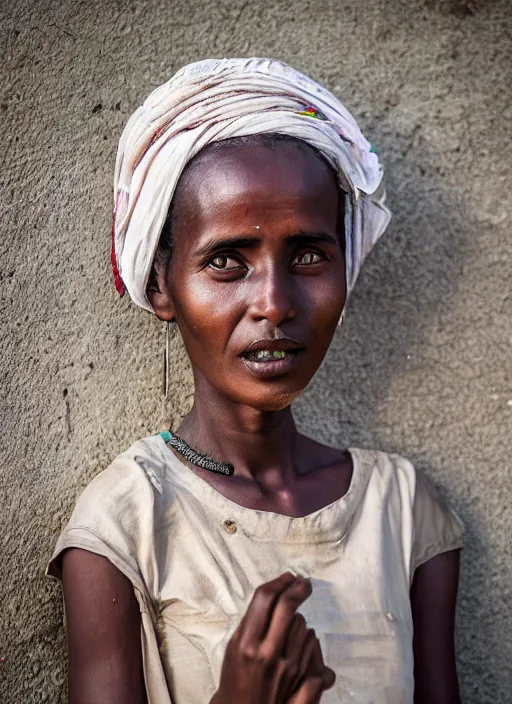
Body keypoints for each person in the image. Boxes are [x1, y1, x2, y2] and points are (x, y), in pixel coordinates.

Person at [47, 58, 463, 704]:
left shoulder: (402, 510)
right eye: (225, 260)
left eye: (308, 255)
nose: (275, 302)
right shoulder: (125, 524)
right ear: (162, 285)